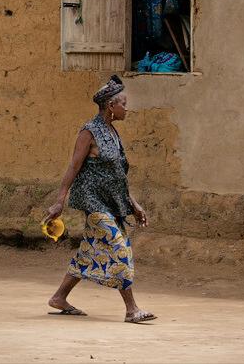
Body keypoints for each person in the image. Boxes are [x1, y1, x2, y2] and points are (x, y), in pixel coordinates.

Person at [43, 75, 156, 324]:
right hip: (94, 202)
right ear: (110, 106)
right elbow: (73, 168)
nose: (127, 108)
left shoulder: (113, 133)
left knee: (89, 252)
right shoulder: (89, 132)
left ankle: (59, 297)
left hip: (113, 202)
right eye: (123, 104)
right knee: (118, 248)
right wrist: (60, 201)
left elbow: (118, 175)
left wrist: (133, 204)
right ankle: (132, 309)